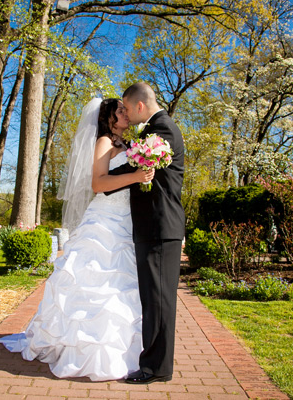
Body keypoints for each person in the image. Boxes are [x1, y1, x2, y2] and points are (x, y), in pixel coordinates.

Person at [0, 98, 154, 381]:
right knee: (97, 280)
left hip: (126, 222)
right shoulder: (104, 141)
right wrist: (136, 176)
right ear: (108, 118)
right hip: (105, 221)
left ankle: (124, 348)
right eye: (119, 111)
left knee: (121, 284)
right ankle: (84, 348)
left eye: (125, 109)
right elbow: (98, 184)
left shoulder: (128, 145)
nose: (125, 113)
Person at [108, 82, 185, 384]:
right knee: (154, 298)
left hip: (159, 226)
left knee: (159, 300)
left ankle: (156, 368)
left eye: (126, 108)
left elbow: (133, 168)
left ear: (139, 106)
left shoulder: (161, 131)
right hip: (153, 227)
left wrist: (102, 176)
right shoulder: (154, 131)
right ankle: (156, 364)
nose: (125, 113)